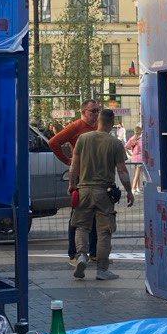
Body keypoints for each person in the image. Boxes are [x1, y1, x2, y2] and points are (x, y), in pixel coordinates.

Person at [68, 107, 133, 281]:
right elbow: (122, 171)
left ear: (98, 121)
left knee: (82, 226)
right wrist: (129, 191)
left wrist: (72, 184)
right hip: (104, 192)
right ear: (112, 123)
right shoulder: (115, 143)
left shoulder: (83, 138)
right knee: (104, 231)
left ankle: (81, 256)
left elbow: (74, 165)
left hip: (84, 190)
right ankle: (102, 270)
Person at [50, 100, 101, 261]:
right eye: (93, 111)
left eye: (98, 110)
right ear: (83, 112)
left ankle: (94, 252)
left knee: (96, 213)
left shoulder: (98, 126)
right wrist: (67, 160)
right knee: (78, 214)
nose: (96, 114)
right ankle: (73, 252)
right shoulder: (76, 126)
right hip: (80, 176)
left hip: (96, 175)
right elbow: (53, 142)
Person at [125, 126, 145, 194]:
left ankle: (137, 188)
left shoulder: (132, 138)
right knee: (137, 174)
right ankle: (133, 188)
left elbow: (126, 147)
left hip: (134, 158)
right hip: (139, 158)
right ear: (141, 131)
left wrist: (131, 153)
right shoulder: (141, 139)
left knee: (137, 174)